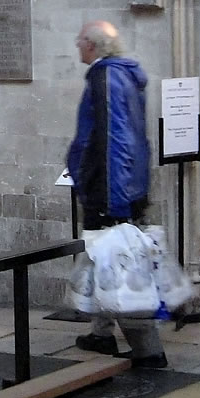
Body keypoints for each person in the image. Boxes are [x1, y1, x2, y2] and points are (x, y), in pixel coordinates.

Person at [66, 20, 168, 369]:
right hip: (119, 187)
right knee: (101, 259)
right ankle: (101, 332)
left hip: (110, 191)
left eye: (80, 40)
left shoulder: (105, 77)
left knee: (122, 267)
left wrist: (114, 200)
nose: (77, 45)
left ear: (93, 45)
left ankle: (148, 350)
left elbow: (116, 138)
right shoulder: (120, 75)